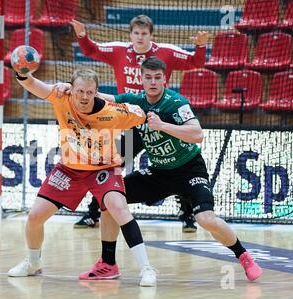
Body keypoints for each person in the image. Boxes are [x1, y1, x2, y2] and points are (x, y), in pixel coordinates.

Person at [77, 57, 262, 282]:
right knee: (110, 197)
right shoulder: (136, 102)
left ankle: (243, 256)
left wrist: (162, 126)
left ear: (165, 79)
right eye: (148, 78)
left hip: (189, 170)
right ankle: (108, 264)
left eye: (157, 78)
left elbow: (198, 134)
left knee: (206, 219)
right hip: (159, 173)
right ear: (141, 80)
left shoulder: (176, 103)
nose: (153, 82)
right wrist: (71, 89)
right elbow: (103, 97)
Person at [7, 68, 157, 286]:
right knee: (34, 217)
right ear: (71, 89)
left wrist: (145, 111)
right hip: (69, 169)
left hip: (104, 168)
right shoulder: (61, 98)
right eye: (80, 91)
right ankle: (33, 262)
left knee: (118, 208)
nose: (84, 97)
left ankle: (146, 269)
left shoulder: (113, 112)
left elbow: (142, 114)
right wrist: (22, 74)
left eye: (89, 92)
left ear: (97, 93)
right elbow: (35, 86)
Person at [70, 15, 209, 231]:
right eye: (136, 33)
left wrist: (200, 46)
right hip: (131, 124)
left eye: (144, 33)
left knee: (177, 164)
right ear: (130, 35)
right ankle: (93, 212)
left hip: (160, 120)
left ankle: (187, 216)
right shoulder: (119, 51)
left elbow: (195, 62)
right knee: (113, 164)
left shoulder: (166, 52)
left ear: (151, 35)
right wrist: (81, 34)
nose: (140, 37)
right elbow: (92, 50)